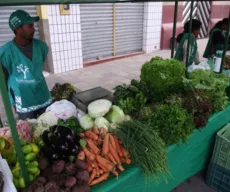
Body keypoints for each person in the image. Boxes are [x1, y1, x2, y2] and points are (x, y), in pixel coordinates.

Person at [0, 10, 52, 120]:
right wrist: (11, 99)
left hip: (41, 93)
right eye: (30, 26)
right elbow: (3, 78)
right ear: (18, 29)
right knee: (28, 128)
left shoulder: (41, 46)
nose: (34, 29)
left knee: (48, 123)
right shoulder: (5, 52)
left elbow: (36, 67)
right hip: (23, 98)